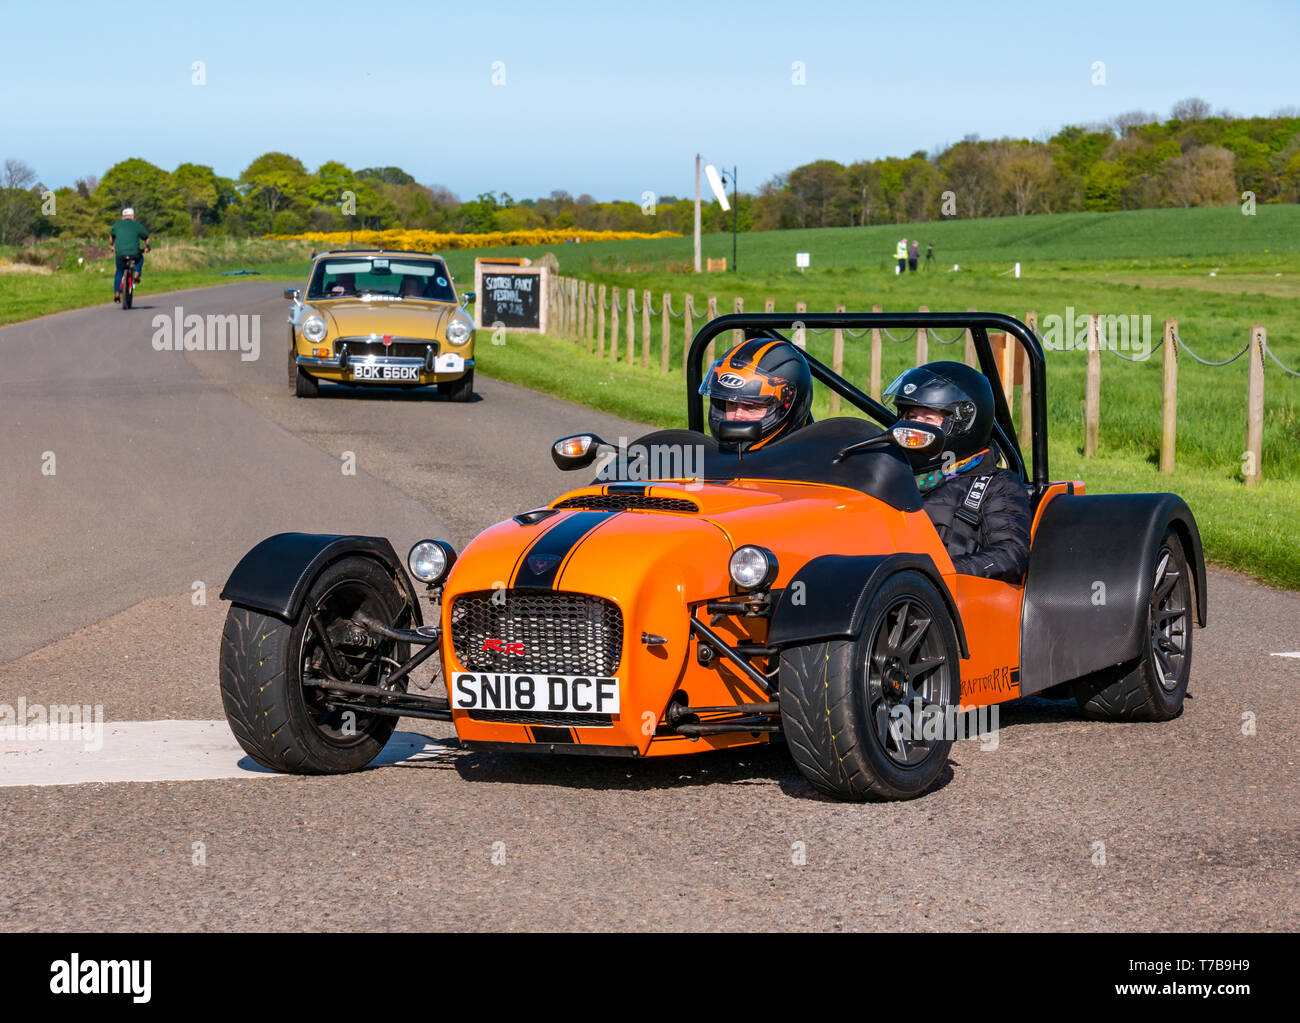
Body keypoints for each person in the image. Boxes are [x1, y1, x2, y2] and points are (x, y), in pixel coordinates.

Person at [884, 361, 1030, 582]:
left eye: (928, 419)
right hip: (882, 590)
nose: (916, 427)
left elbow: (1010, 555)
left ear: (962, 424)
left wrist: (937, 572)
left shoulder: (998, 485)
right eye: (912, 417)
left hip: (947, 600)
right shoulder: (889, 473)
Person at [699, 332, 813, 451]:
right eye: (731, 403)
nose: (738, 416)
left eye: (752, 407)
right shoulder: (702, 463)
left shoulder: (809, 467)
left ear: (784, 409)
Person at [110, 207, 149, 302]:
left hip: (120, 254)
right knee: (140, 259)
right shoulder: (137, 225)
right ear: (133, 216)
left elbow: (111, 237)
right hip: (134, 253)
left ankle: (117, 294)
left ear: (123, 217)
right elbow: (146, 238)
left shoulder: (117, 225)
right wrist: (148, 247)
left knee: (119, 271)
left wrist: (111, 246)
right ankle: (136, 273)